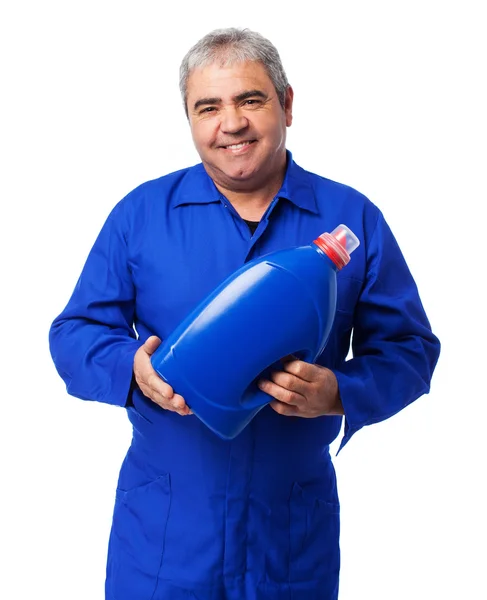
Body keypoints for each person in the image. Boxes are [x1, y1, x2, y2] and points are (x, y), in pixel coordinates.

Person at [49, 27, 441, 600]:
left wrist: (338, 391)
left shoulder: (351, 218)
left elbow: (411, 350)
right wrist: (131, 368)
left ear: (286, 103)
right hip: (164, 537)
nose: (230, 124)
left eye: (250, 100)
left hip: (290, 538)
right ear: (189, 119)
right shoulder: (141, 216)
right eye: (208, 107)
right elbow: (75, 332)